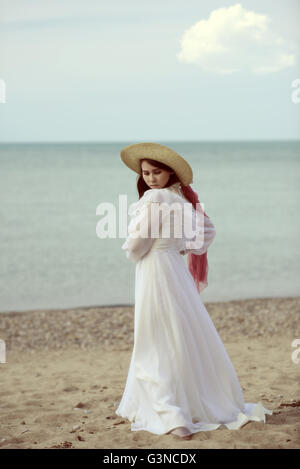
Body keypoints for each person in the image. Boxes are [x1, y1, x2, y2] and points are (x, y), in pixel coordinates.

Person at [115, 142, 272, 439]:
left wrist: (134, 251)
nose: (150, 178)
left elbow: (136, 246)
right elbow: (208, 232)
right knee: (180, 332)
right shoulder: (182, 199)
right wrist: (180, 247)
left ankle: (173, 415)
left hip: (155, 270)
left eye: (156, 172)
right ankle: (188, 404)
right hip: (174, 269)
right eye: (146, 173)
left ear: (170, 172)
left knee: (155, 336)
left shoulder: (157, 198)